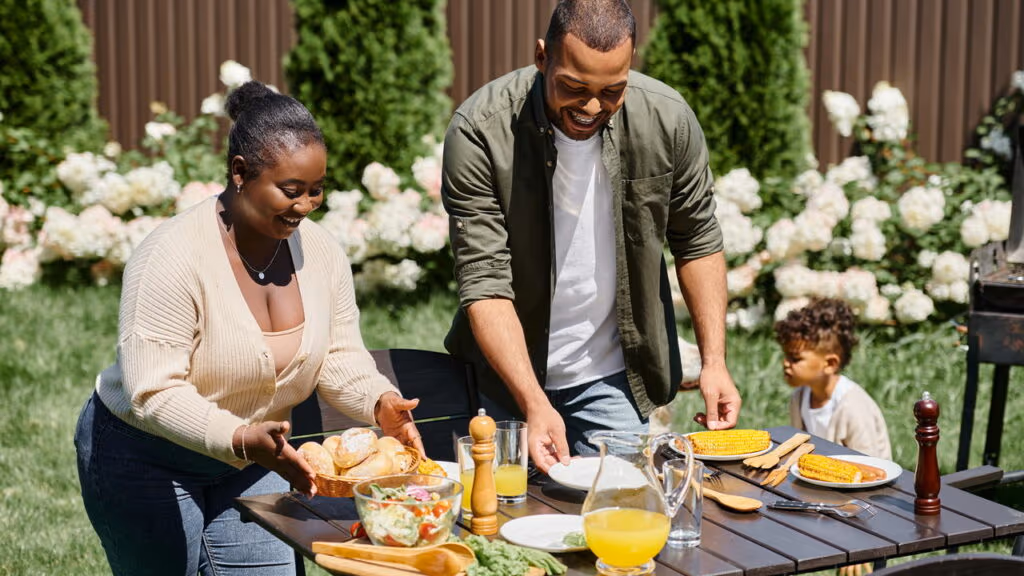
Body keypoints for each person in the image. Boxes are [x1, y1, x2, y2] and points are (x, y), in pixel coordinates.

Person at [74, 81, 425, 576]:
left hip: (257, 459)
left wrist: (379, 403)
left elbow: (340, 355)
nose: (306, 205)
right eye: (291, 190)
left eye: (316, 189)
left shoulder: (321, 252)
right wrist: (238, 437)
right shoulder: (170, 256)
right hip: (144, 457)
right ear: (240, 174)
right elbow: (151, 392)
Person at [441, 0, 741, 473]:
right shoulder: (480, 130)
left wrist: (714, 362)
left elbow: (698, 239)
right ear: (542, 57)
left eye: (612, 91)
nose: (592, 107)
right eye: (573, 87)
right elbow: (485, 282)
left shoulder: (667, 119)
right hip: (503, 380)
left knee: (622, 516)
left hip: (609, 378)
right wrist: (534, 403)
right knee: (502, 525)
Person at [775, 298, 892, 459]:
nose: (785, 363)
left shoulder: (853, 408)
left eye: (795, 358)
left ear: (830, 363)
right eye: (786, 355)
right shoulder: (799, 398)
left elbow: (870, 466)